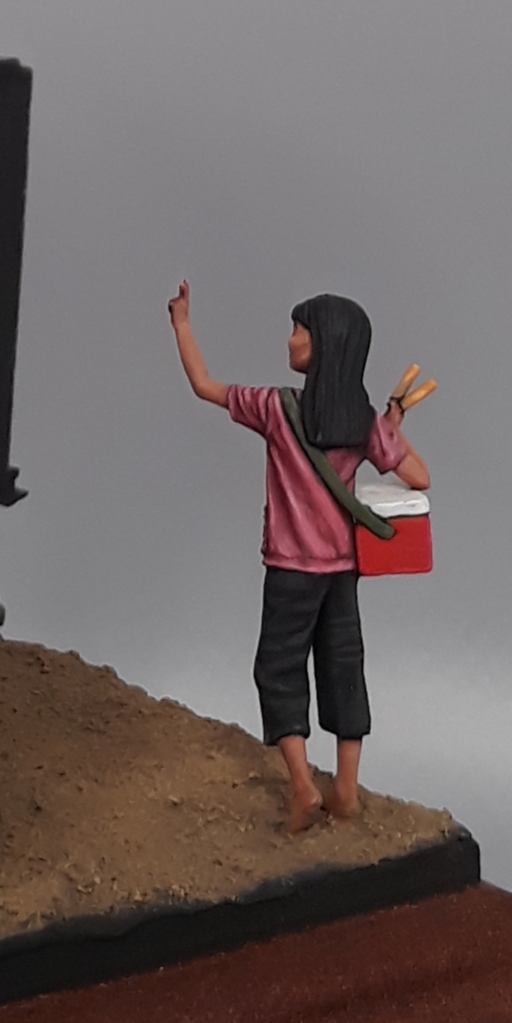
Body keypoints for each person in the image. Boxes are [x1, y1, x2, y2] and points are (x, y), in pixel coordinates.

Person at [167, 283, 432, 832]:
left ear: (323, 344)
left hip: (290, 568)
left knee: (279, 669)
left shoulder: (274, 407)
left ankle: (304, 787)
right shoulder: (361, 422)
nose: (290, 339)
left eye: (299, 329)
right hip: (342, 571)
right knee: (343, 668)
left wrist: (182, 325)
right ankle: (347, 790)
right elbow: (419, 477)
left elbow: (203, 385)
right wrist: (389, 429)